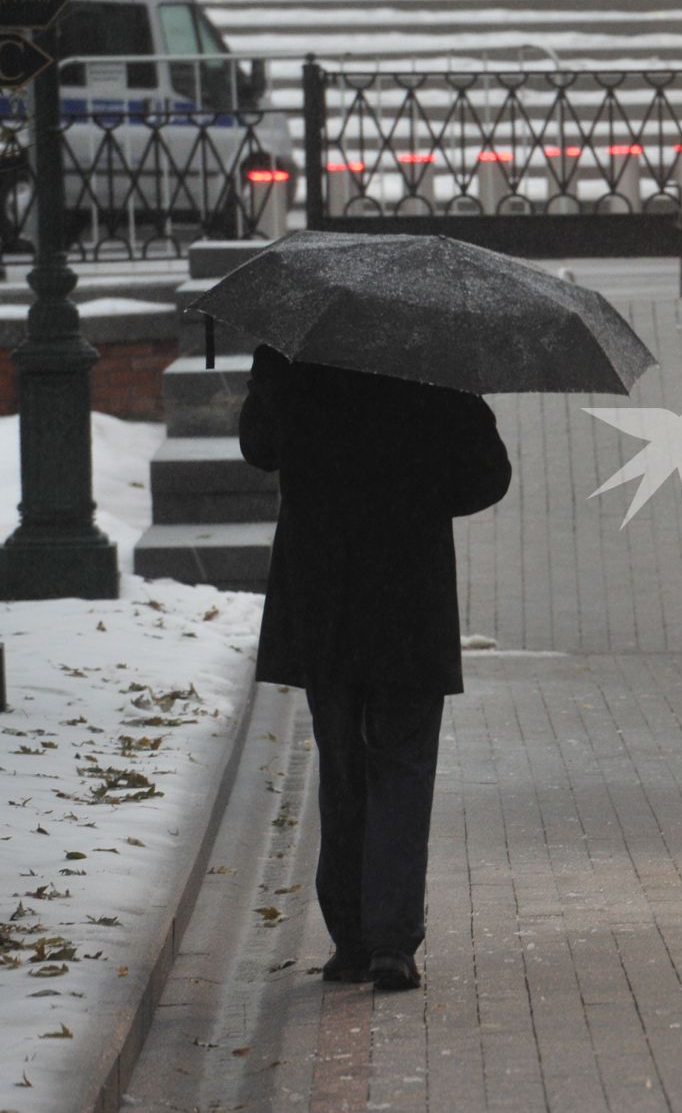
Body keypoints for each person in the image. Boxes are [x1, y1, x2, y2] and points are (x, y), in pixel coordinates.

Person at [239, 345, 511, 992]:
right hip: (407, 592)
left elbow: (258, 445)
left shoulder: (295, 350)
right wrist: (420, 495)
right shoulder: (430, 355)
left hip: (323, 591)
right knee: (404, 762)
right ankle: (392, 941)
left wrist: (272, 389)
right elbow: (488, 474)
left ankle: (350, 940)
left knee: (341, 763)